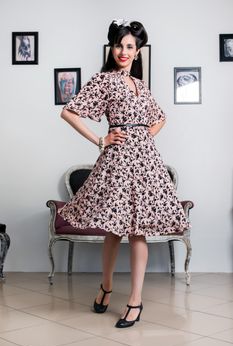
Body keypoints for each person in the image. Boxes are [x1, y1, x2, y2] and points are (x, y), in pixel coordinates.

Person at [58, 19, 190, 328]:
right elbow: (68, 112)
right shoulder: (104, 80)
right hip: (116, 162)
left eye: (130, 46)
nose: (123, 51)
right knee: (114, 230)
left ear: (138, 51)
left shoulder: (141, 86)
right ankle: (106, 287)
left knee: (138, 230)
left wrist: (141, 139)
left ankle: (135, 301)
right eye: (119, 45)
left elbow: (160, 118)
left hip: (145, 163)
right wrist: (101, 140)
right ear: (112, 47)